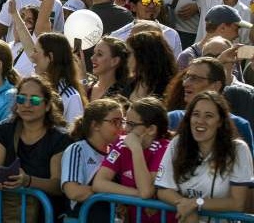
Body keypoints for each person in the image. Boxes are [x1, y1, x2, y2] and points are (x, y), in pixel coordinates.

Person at [0, 75, 71, 220]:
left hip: (46, 215)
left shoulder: (60, 138)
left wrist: (28, 181)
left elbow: (57, 184)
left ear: (48, 105)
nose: (27, 105)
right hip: (9, 214)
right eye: (21, 99)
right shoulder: (6, 129)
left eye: (35, 100)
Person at [156, 91, 252, 219]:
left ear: (220, 122)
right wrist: (184, 205)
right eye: (196, 114)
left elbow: (237, 203)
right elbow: (163, 190)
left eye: (209, 116)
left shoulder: (238, 149)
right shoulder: (178, 143)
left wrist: (196, 203)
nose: (200, 121)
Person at [92, 96, 171, 222]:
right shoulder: (121, 144)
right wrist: (135, 193)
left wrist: (136, 150)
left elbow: (145, 191)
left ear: (151, 129)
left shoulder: (165, 149)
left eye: (131, 124)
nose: (125, 129)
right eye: (126, 122)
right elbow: (99, 183)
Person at [60, 98, 125, 219]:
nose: (121, 128)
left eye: (122, 122)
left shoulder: (117, 152)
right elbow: (73, 191)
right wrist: (115, 193)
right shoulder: (77, 149)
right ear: (95, 125)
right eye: (115, 122)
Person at [84, 37, 130, 101]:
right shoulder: (88, 86)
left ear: (115, 61)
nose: (92, 58)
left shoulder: (122, 95)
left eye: (99, 54)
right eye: (94, 53)